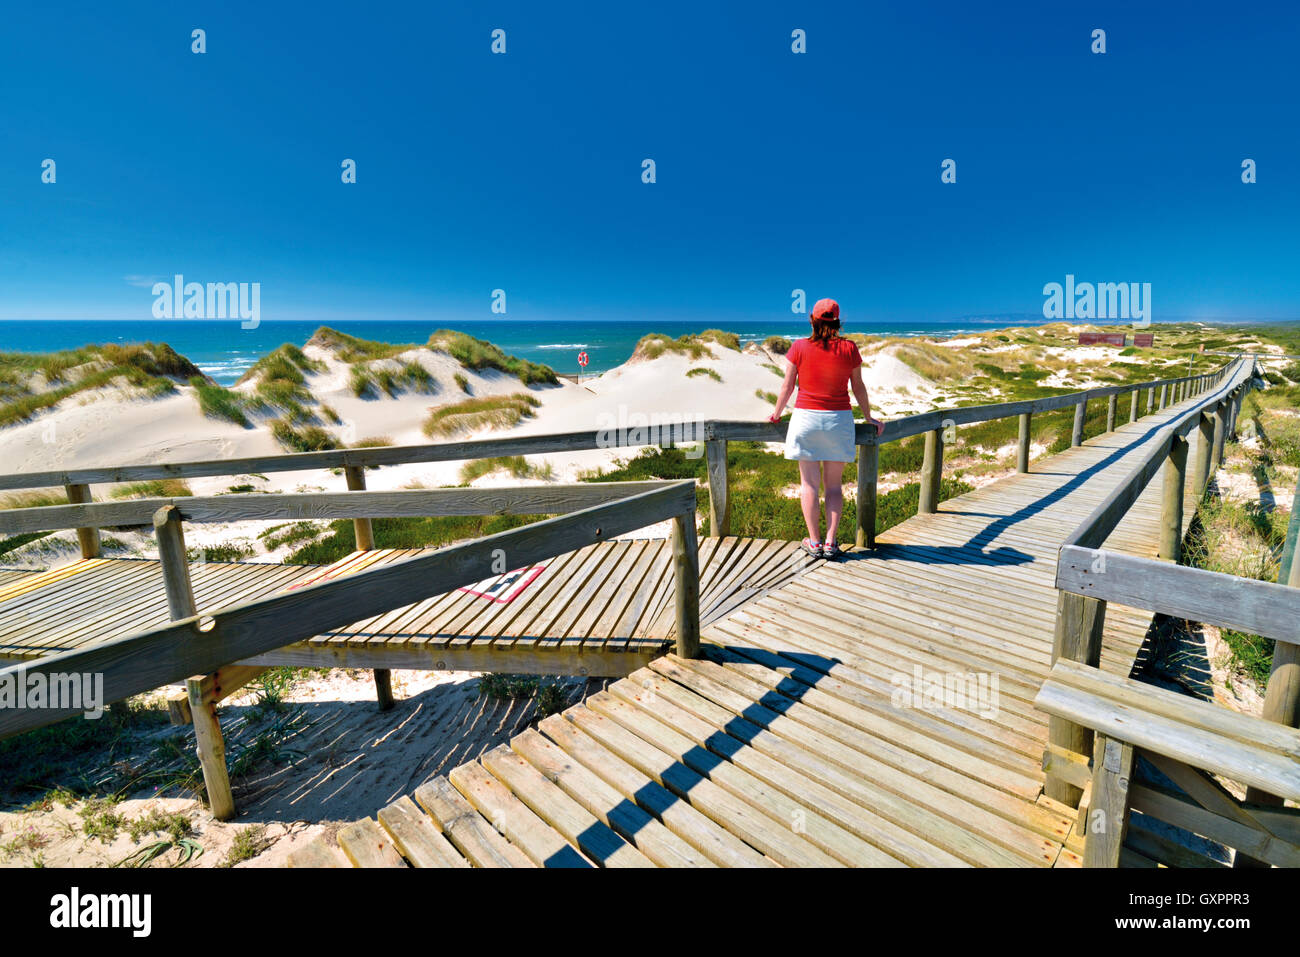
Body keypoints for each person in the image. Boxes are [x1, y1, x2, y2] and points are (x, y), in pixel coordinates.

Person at [768, 298, 884, 558]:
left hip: (805, 419)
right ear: (837, 321)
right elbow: (858, 387)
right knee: (833, 486)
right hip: (838, 420)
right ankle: (831, 543)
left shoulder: (798, 347)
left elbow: (787, 387)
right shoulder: (849, 348)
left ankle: (814, 542)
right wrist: (869, 417)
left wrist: (776, 414)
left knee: (808, 484)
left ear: (812, 319)